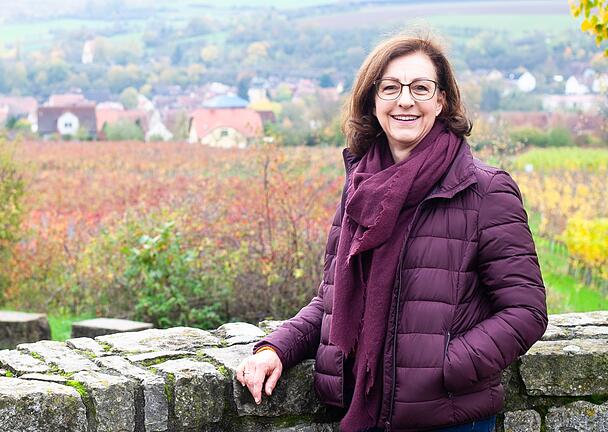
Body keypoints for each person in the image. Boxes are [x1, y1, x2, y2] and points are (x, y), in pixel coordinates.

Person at [235, 33, 548, 432]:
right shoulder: (360, 189)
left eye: (421, 88)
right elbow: (333, 301)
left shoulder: (484, 189)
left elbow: (526, 311)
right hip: (363, 412)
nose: (405, 100)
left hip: (448, 419)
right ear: (373, 101)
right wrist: (277, 347)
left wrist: (445, 367)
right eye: (390, 88)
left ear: (442, 101)